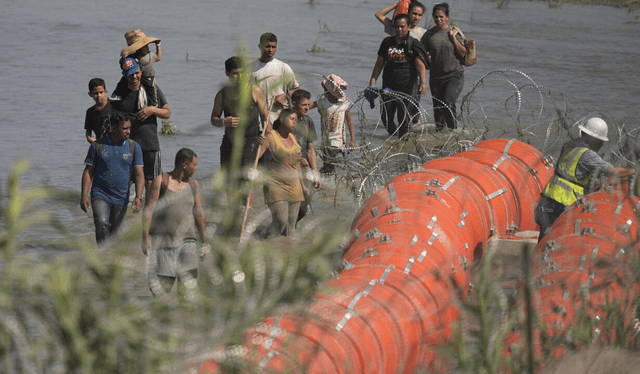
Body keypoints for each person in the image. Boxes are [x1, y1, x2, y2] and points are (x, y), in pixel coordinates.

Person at [535, 118, 635, 242]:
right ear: (593, 139)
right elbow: (612, 171)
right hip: (559, 205)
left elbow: (579, 174)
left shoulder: (570, 147)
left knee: (544, 245)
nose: (602, 144)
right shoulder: (587, 154)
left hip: (546, 202)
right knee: (555, 244)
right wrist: (635, 173)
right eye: (600, 141)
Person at [143, 148, 209, 297]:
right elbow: (148, 210)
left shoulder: (193, 185)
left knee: (187, 291)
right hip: (164, 243)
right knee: (161, 291)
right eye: (194, 165)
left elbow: (199, 214)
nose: (196, 168)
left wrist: (205, 242)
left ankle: (185, 317)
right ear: (184, 165)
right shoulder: (161, 181)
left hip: (188, 243)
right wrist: (145, 237)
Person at [80, 112, 144, 246]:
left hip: (121, 197)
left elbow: (139, 174)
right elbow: (88, 171)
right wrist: (84, 195)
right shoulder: (98, 146)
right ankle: (102, 255)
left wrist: (138, 196)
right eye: (125, 128)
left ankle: (110, 261)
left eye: (129, 128)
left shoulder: (134, 147)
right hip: (100, 194)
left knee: (116, 235)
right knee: (102, 223)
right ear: (113, 128)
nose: (128, 131)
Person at [111, 57, 171, 195]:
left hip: (150, 145)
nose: (134, 76)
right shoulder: (119, 95)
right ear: (124, 75)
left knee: (151, 183)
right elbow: (112, 121)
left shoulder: (152, 90)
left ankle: (148, 215)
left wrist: (152, 110)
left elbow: (167, 113)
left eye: (137, 73)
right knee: (124, 181)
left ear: (141, 71)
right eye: (130, 74)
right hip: (127, 146)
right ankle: (122, 213)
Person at [369, 14, 428, 138]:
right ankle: (396, 141)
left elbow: (420, 66)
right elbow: (379, 65)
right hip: (389, 86)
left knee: (403, 119)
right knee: (386, 118)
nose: (399, 30)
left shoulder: (413, 44)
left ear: (408, 27)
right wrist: (372, 84)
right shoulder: (387, 42)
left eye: (402, 27)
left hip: (408, 87)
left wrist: (423, 82)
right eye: (397, 27)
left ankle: (403, 143)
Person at [211, 56, 271, 173]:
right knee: (229, 183)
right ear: (227, 73)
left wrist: (267, 140)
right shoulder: (222, 94)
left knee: (245, 181)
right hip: (229, 144)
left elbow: (265, 117)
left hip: (250, 143)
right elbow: (214, 119)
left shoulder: (255, 91)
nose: (239, 77)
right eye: (235, 73)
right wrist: (224, 121)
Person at [254, 109, 307, 238]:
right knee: (280, 221)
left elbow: (296, 165)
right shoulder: (270, 137)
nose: (295, 123)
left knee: (291, 226)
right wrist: (257, 146)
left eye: (296, 120)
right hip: (275, 184)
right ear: (282, 120)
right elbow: (257, 157)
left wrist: (303, 185)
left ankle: (289, 253)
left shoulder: (294, 138)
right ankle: (267, 243)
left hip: (294, 186)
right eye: (292, 119)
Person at [420, 2, 466, 131]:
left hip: (454, 75)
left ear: (447, 17)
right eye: (436, 17)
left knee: (448, 103)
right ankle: (440, 138)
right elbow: (420, 54)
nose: (438, 19)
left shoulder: (454, 32)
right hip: (435, 78)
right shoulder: (429, 35)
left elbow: (463, 53)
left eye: (441, 16)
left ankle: (454, 132)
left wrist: (453, 38)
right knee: (438, 112)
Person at [250, 33, 299, 125]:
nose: (270, 50)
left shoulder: (283, 67)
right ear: (260, 46)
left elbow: (296, 89)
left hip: (278, 120)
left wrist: (285, 96)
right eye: (267, 46)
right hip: (256, 120)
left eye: (273, 47)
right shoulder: (250, 68)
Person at [313, 75, 356, 174]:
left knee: (330, 162)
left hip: (338, 141)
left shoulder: (343, 104)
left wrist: (352, 139)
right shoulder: (322, 103)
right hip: (326, 141)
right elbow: (307, 106)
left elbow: (349, 121)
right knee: (327, 164)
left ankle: (319, 178)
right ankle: (328, 182)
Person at [291, 89, 321, 222]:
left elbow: (310, 149)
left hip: (304, 168)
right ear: (294, 104)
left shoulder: (308, 122)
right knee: (291, 206)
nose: (307, 108)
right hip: (289, 169)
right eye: (304, 105)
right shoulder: (286, 121)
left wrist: (315, 173)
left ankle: (286, 233)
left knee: (303, 207)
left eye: (308, 105)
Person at [111, 29, 162, 107]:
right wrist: (123, 58)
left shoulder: (150, 55)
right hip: (135, 75)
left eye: (147, 46)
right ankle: (116, 95)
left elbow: (158, 58)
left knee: (151, 88)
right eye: (145, 46)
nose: (147, 48)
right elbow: (124, 64)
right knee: (122, 81)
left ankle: (153, 103)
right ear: (139, 48)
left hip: (148, 75)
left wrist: (158, 47)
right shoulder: (132, 57)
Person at [84, 78, 114, 143]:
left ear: (105, 92)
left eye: (101, 92)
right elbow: (88, 131)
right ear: (90, 94)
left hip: (114, 144)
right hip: (99, 144)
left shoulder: (113, 107)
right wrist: (89, 139)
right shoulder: (90, 112)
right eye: (95, 93)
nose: (99, 96)